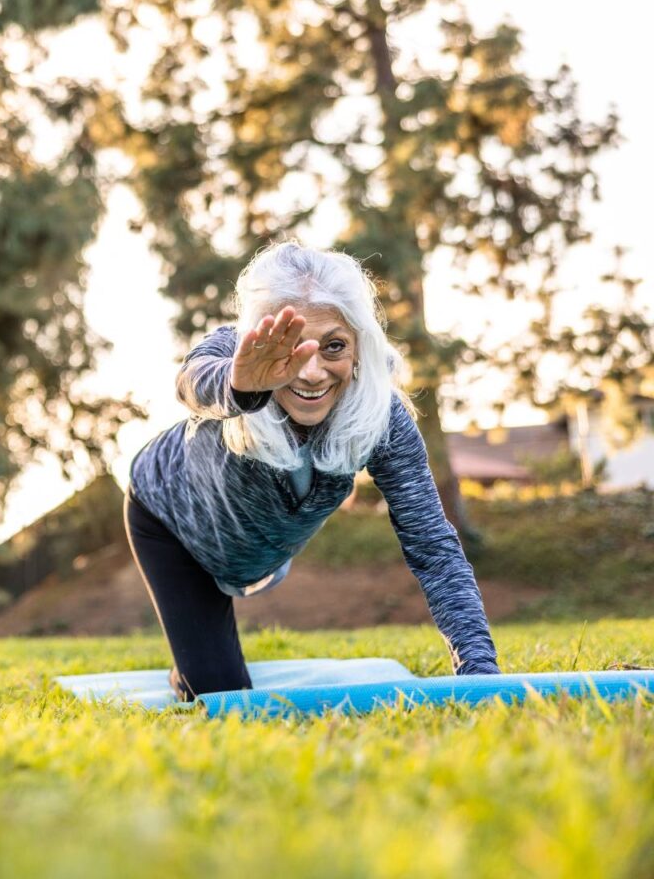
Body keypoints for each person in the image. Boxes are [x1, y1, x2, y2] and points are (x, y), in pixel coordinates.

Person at [125, 241, 500, 700]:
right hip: (171, 522)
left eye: (334, 347)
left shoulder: (381, 416)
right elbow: (191, 382)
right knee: (221, 697)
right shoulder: (237, 352)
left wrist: (478, 669)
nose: (312, 373)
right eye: (295, 351)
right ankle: (190, 669)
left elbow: (432, 545)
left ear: (360, 345)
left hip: (258, 543)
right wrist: (241, 386)